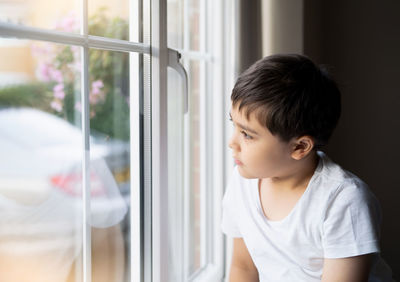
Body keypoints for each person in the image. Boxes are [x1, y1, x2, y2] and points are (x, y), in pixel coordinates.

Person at [221, 54, 394, 282]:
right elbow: (243, 268)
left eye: (247, 135)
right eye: (233, 124)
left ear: (300, 147)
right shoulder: (242, 181)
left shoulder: (343, 200)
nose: (232, 142)